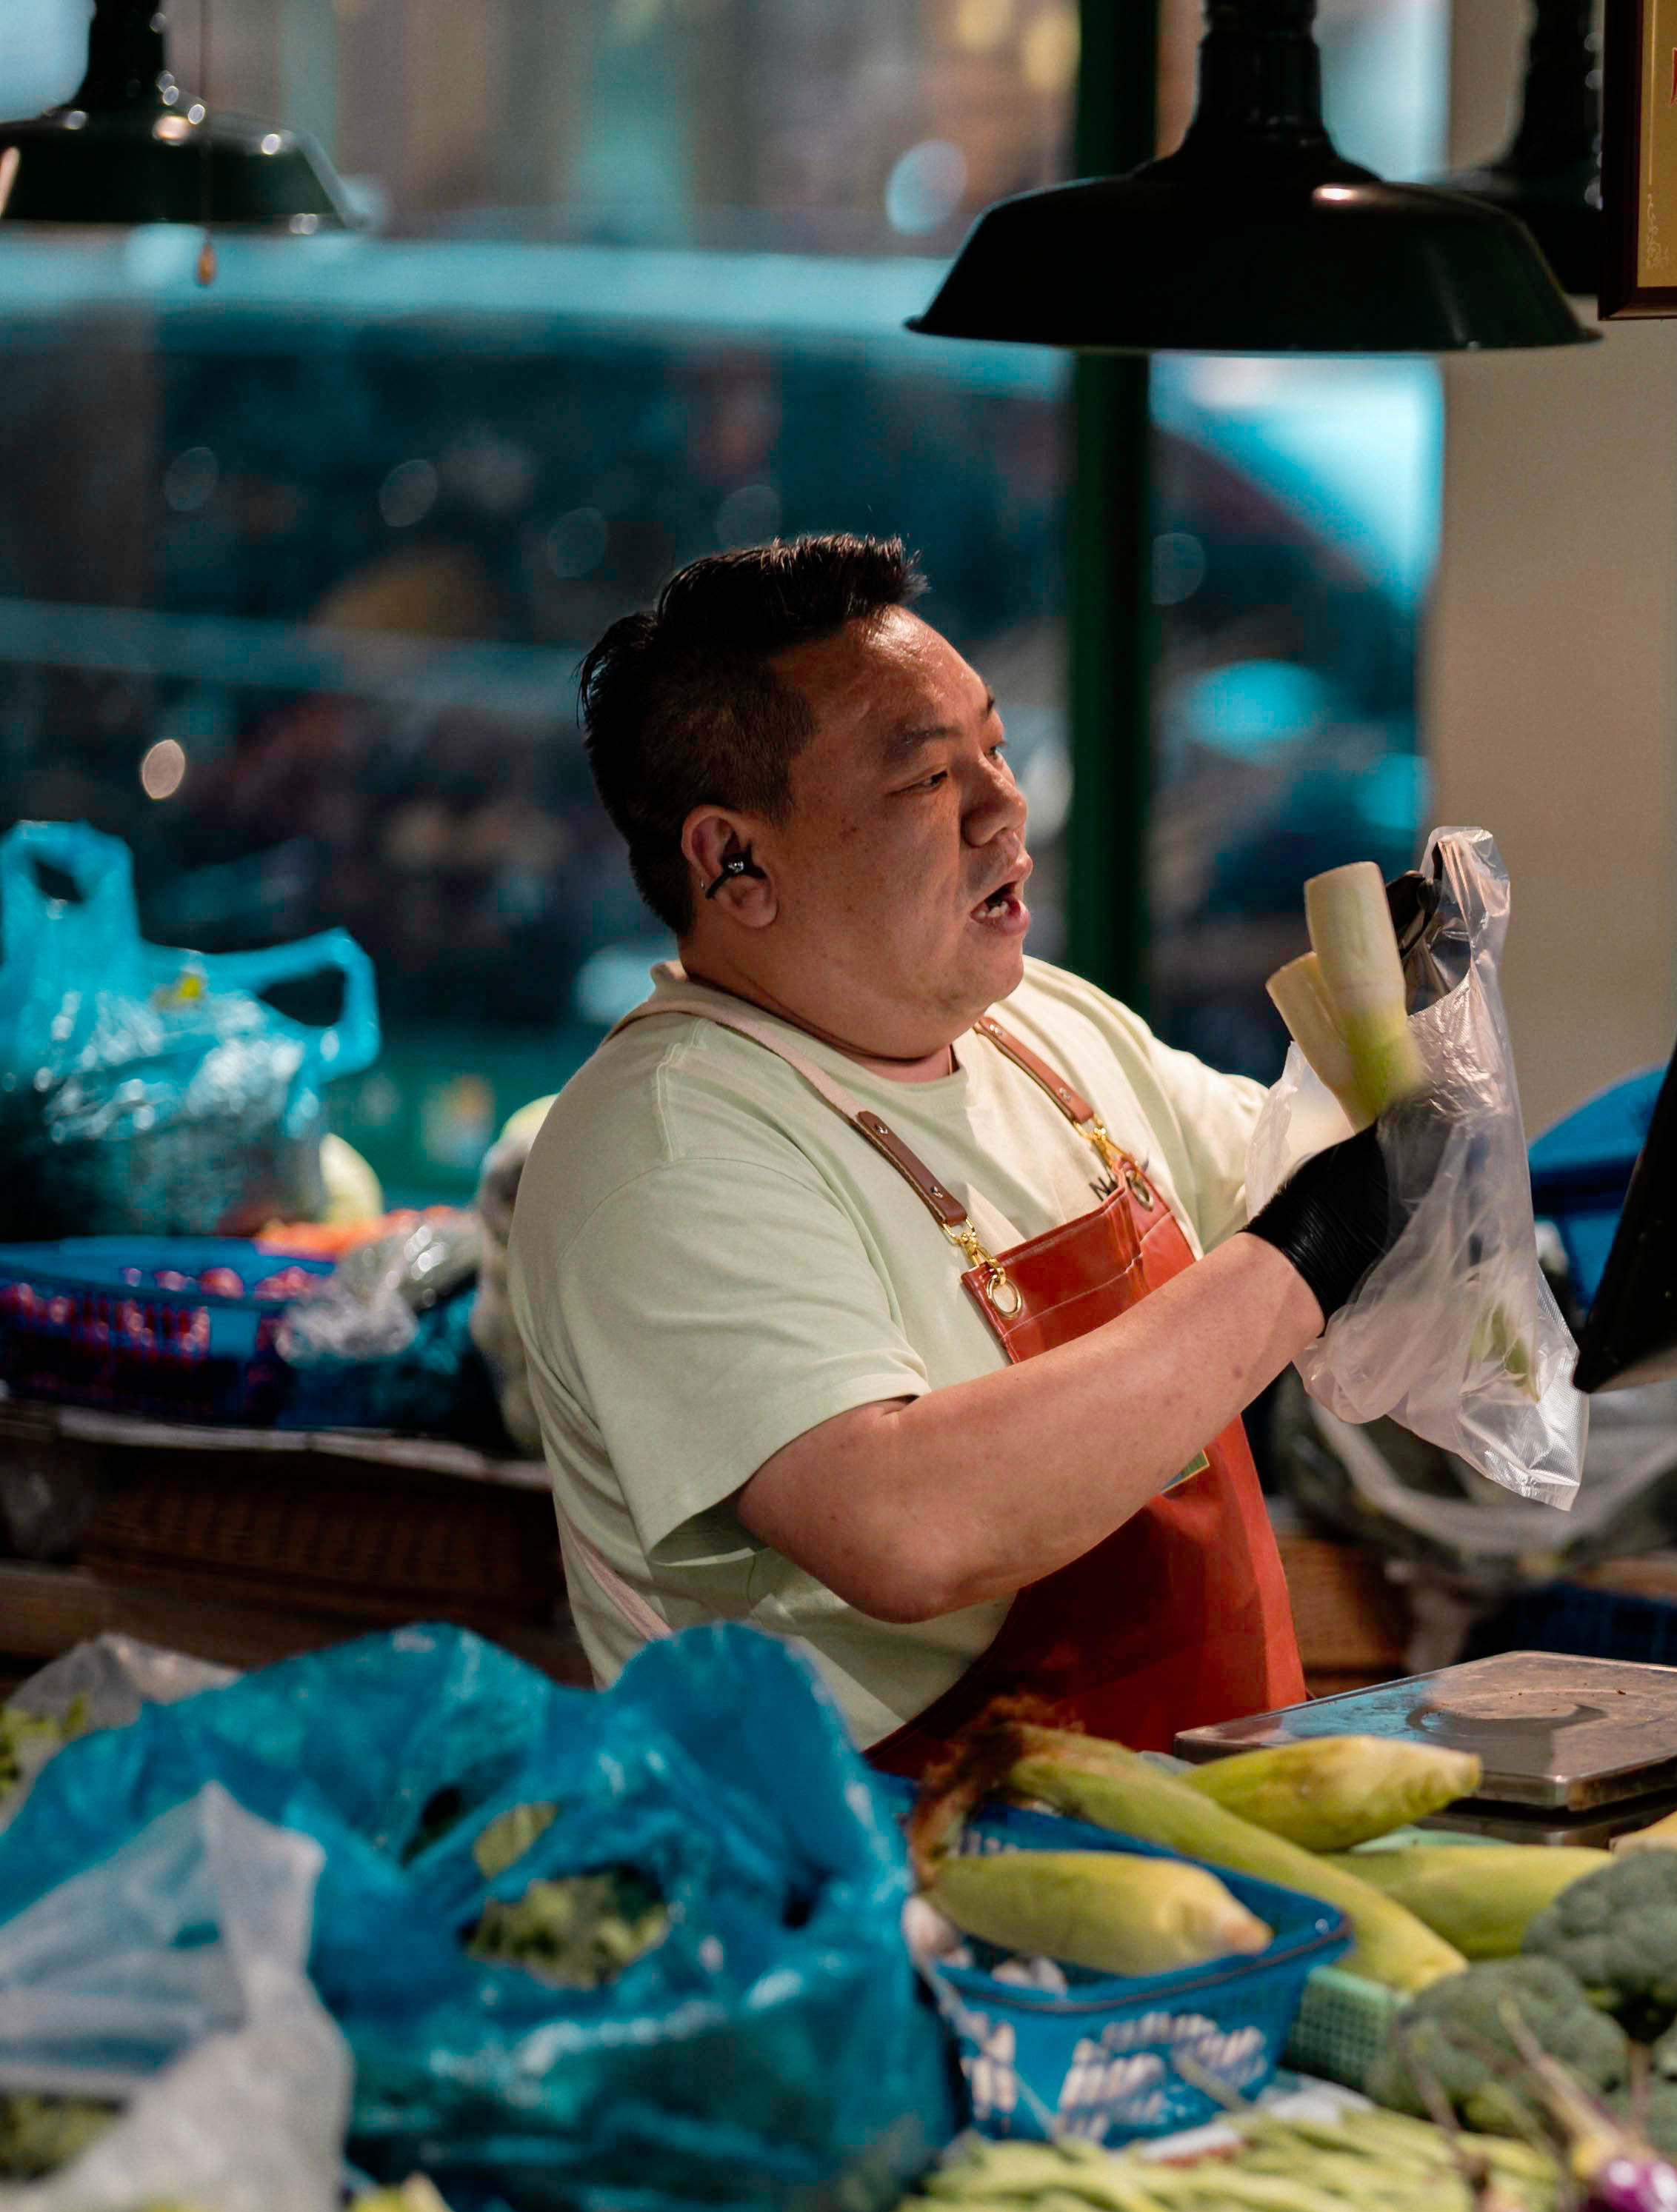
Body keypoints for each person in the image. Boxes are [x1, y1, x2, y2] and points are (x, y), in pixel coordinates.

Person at [514, 536, 1412, 1759]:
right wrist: (1302, 1257)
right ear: (735, 861)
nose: (1006, 808)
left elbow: (1319, 1194)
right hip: (890, 1857)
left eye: (996, 749)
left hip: (1205, 1821)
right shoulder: (667, 1149)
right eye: (929, 778)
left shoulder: (1047, 1028)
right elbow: (903, 1528)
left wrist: (1422, 1089)